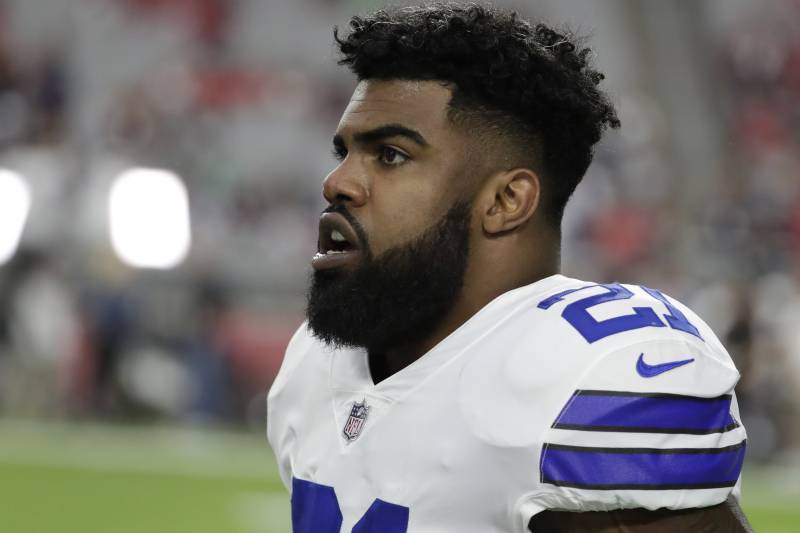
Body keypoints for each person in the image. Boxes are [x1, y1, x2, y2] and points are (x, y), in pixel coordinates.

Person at [267, 4, 753, 531]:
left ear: (506, 201)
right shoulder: (315, 363)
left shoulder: (583, 376)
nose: (336, 182)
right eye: (344, 151)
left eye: (390, 155)